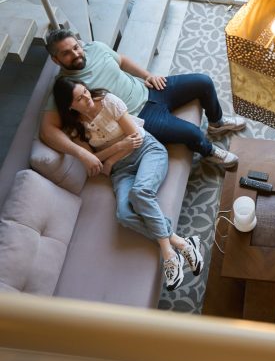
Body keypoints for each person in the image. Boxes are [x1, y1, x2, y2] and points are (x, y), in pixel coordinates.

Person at [53, 76, 202, 291]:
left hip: (147, 151)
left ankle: (169, 255)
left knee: (140, 193)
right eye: (80, 98)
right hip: (122, 171)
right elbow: (96, 161)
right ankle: (182, 243)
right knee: (124, 214)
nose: (87, 98)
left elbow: (135, 137)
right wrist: (117, 149)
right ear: (70, 106)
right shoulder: (76, 130)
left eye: (85, 91)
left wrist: (110, 159)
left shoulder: (108, 101)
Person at [41, 29, 245, 177]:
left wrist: (148, 75)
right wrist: (82, 154)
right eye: (66, 53)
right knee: (192, 133)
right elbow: (47, 131)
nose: (76, 54)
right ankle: (209, 152)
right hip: (140, 116)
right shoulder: (65, 88)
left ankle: (216, 123)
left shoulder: (95, 48)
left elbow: (121, 61)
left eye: (76, 47)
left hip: (149, 90)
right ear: (56, 60)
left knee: (203, 82)